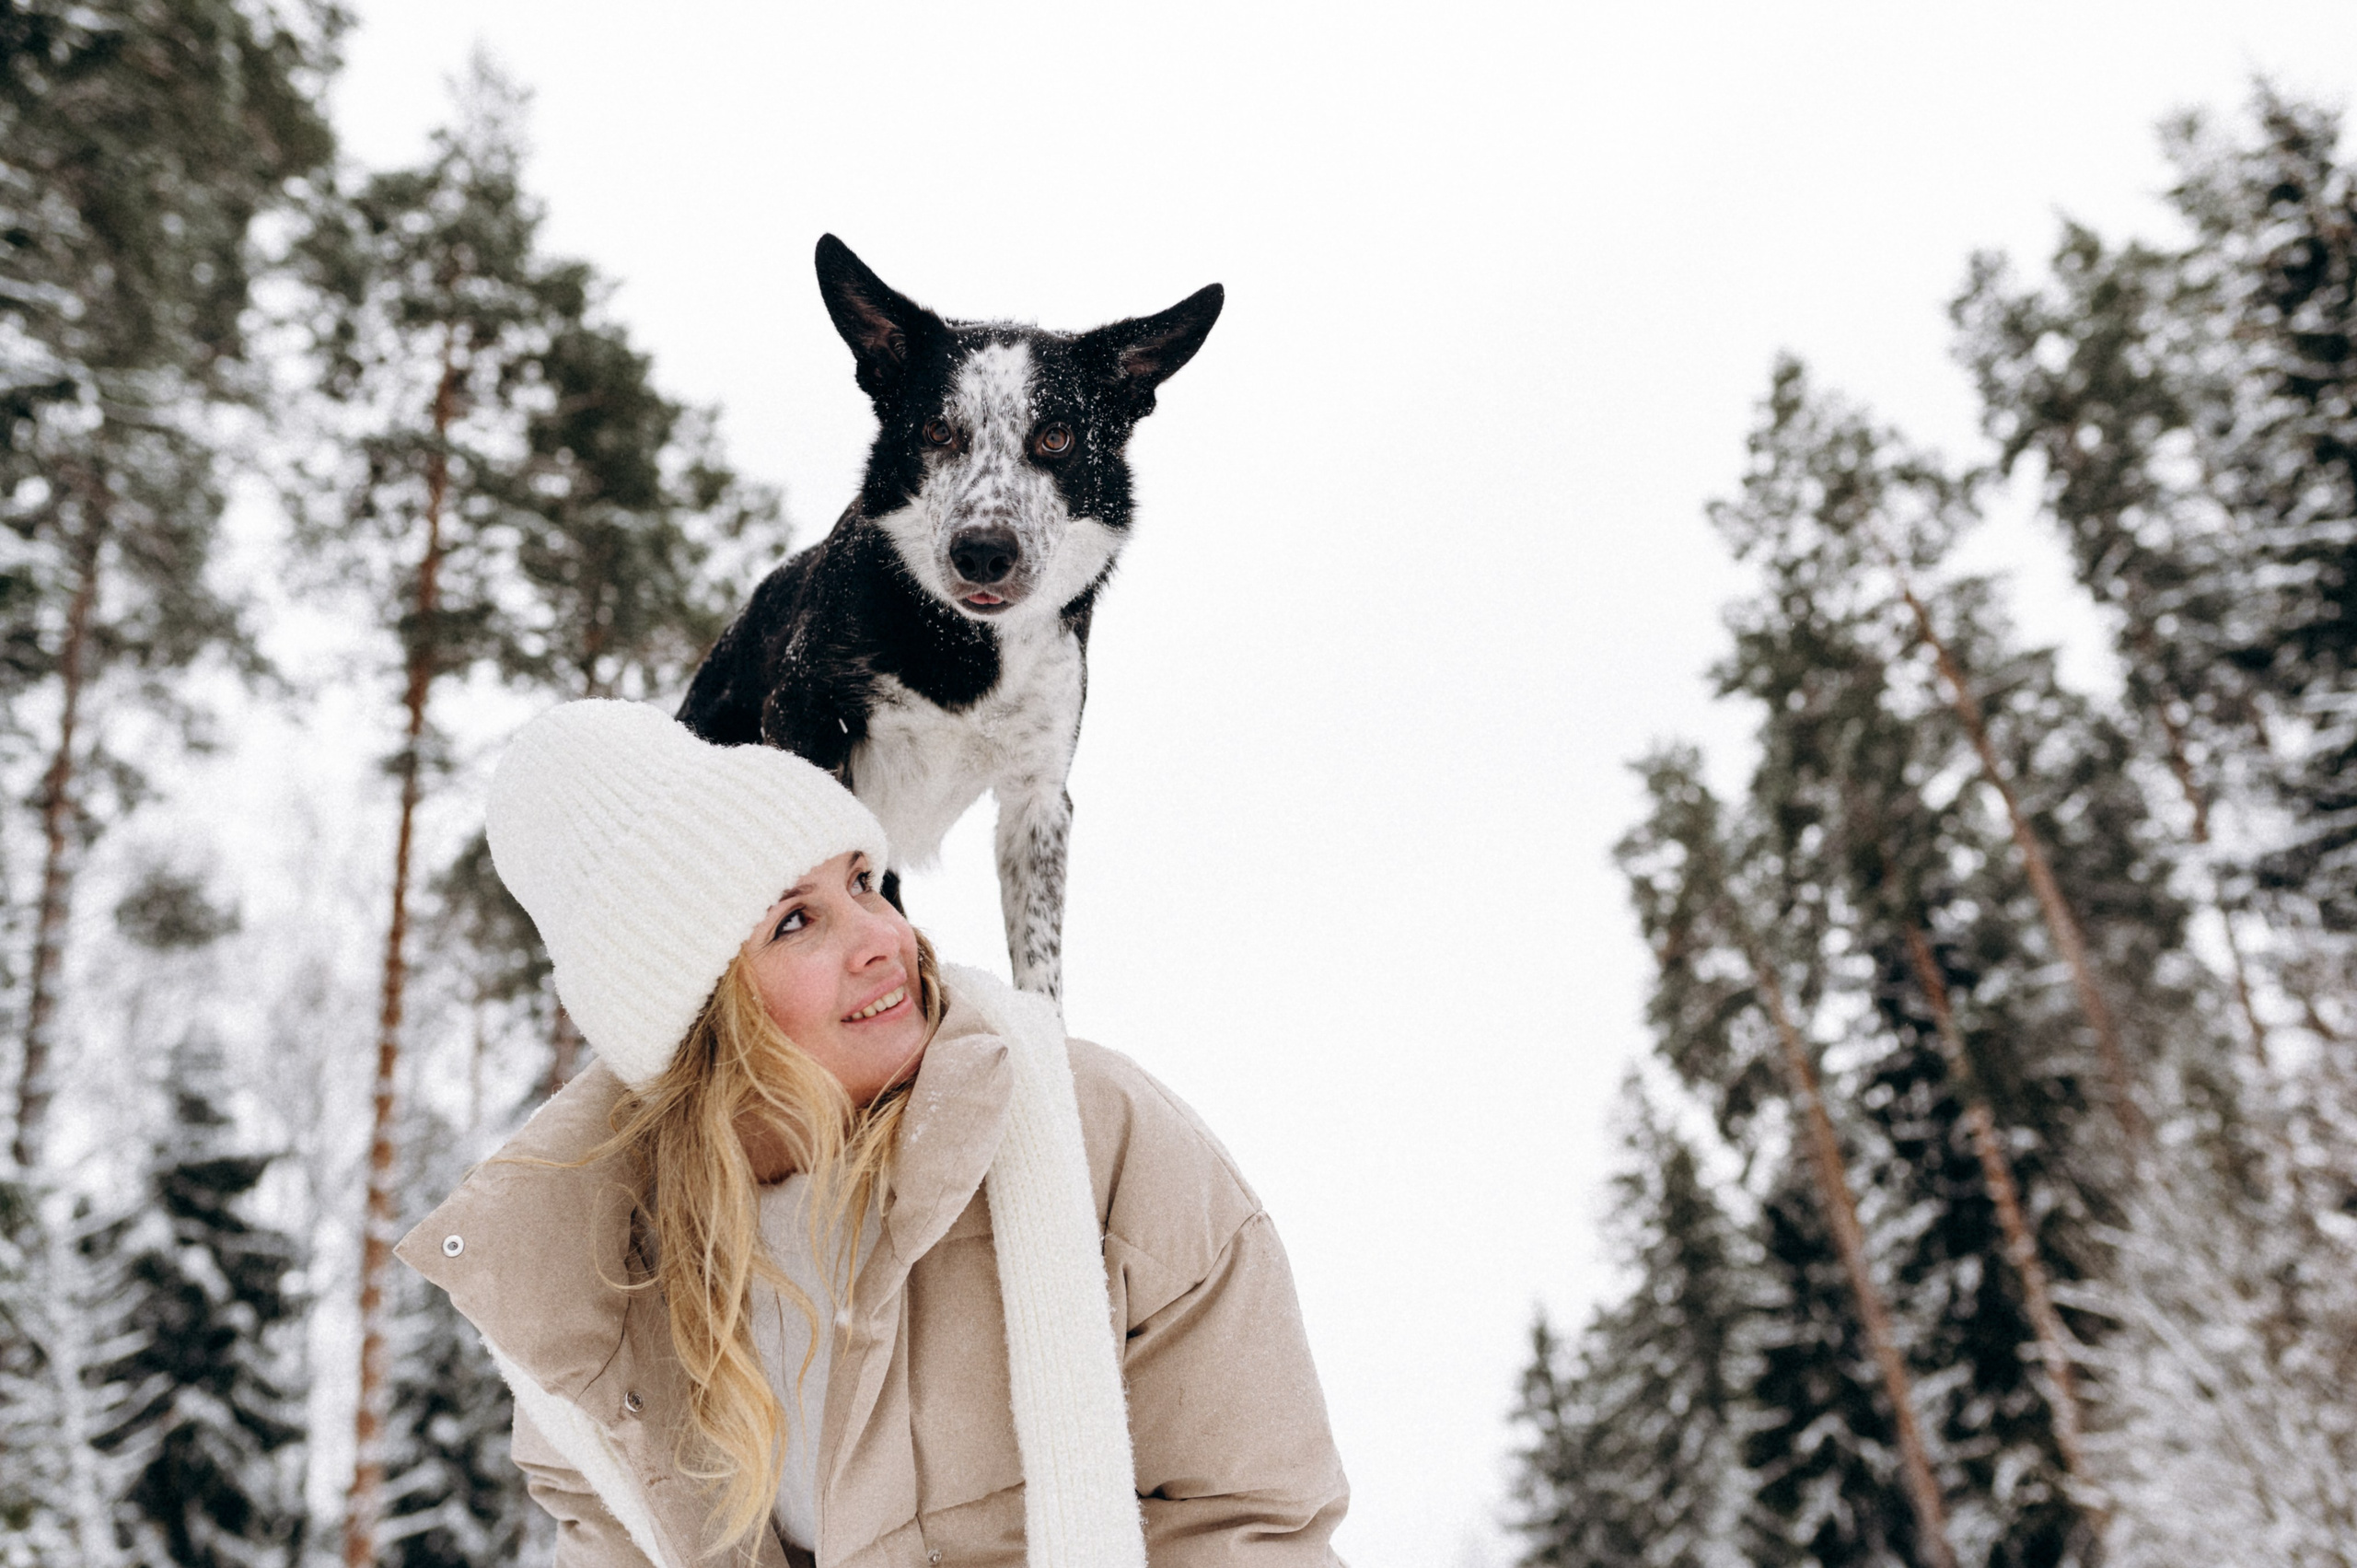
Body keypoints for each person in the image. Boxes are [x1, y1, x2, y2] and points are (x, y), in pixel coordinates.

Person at [396, 701, 1349, 1568]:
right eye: (796, 921)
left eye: (862, 880)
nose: (884, 937)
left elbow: (1246, 1521)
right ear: (697, 1016)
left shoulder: (1097, 1136)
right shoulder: (595, 1284)